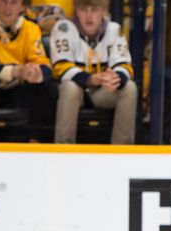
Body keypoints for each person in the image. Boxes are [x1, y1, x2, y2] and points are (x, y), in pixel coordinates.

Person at [50, 0, 137, 144]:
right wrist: (90, 79)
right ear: (76, 10)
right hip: (76, 91)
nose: (89, 15)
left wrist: (115, 79)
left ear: (104, 10)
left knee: (129, 88)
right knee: (70, 88)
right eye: (84, 9)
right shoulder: (63, 28)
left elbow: (124, 64)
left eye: (94, 9)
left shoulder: (115, 29)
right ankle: (64, 148)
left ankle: (122, 151)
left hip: (103, 91)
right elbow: (60, 66)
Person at [0, 0, 57, 142]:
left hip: (18, 87)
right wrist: (13, 71)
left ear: (23, 6)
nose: (8, 8)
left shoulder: (30, 28)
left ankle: (35, 142)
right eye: (4, 1)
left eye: (13, 2)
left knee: (48, 89)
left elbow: (44, 65)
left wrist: (36, 73)